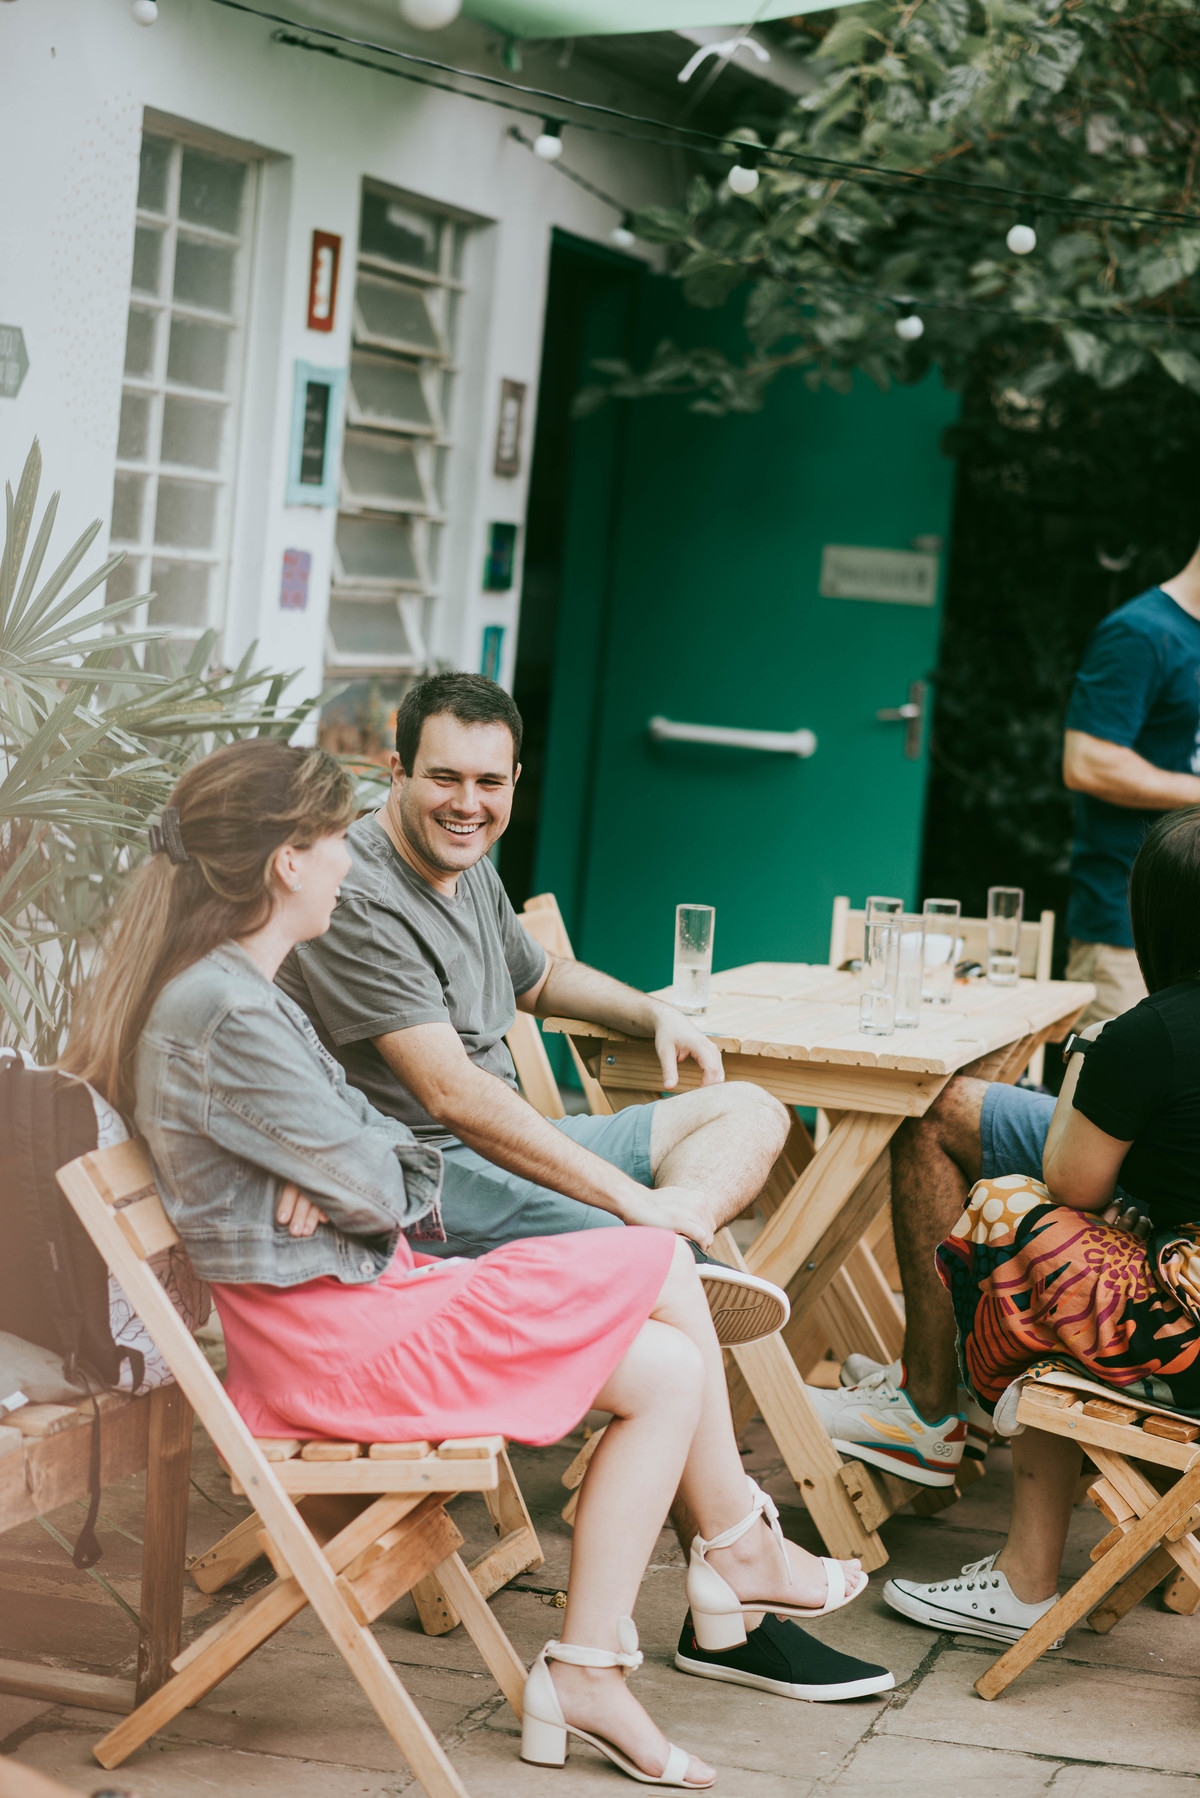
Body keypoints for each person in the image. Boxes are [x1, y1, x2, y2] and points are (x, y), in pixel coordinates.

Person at [62, 739, 895, 1785]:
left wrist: (357, 1169)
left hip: (362, 1299)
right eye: (334, 840)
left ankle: (594, 1665)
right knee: (654, 1262)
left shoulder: (241, 993)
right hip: (334, 1346)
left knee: (671, 1353)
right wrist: (360, 1172)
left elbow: (385, 1158)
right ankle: (732, 1557)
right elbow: (396, 1178)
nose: (349, 860)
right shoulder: (227, 1011)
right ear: (287, 862)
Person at [804, 547, 1200, 1484]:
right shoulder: (1145, 634)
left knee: (965, 1121)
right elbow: (1086, 758)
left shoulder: (1153, 1033)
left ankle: (937, 1407)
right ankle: (950, 1396)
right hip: (1138, 936)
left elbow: (1077, 1184)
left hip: (1168, 1281)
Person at [276, 673, 791, 1342]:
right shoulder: (360, 896)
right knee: (629, 1238)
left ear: (514, 780)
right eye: (445, 778)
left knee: (750, 1110)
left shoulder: (464, 859)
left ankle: (678, 1248)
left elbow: (541, 977)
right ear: (398, 771)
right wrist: (630, 1199)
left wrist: (655, 1016)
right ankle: (669, 1269)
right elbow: (451, 1094)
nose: (468, 804)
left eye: (489, 782)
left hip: (512, 1140)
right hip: (425, 1175)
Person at [880, 805, 1200, 1644]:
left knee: (1022, 1228)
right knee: (1062, 1259)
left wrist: (1089, 1059)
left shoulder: (1149, 1035)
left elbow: (1071, 1184)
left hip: (1189, 1344)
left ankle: (1022, 1574)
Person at [1063, 542, 1200, 1026]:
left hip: (1190, 932)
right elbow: (1087, 763)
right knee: (1110, 1076)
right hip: (1128, 932)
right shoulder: (1139, 632)